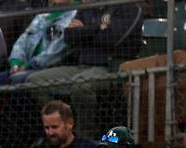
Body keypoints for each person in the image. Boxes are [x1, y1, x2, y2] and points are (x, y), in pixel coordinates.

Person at [26, 2, 142, 139]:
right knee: (35, 81)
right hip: (81, 65)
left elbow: (113, 38)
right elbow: (69, 36)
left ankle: (84, 139)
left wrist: (84, 30)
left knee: (81, 85)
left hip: (111, 67)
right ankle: (64, 132)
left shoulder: (128, 7)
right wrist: (98, 29)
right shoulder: (88, 8)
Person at [0, 0, 77, 85]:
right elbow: (22, 41)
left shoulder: (76, 14)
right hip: (28, 66)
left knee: (16, 78)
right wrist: (16, 62)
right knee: (1, 77)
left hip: (50, 67)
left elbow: (57, 51)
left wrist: (28, 66)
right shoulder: (43, 15)